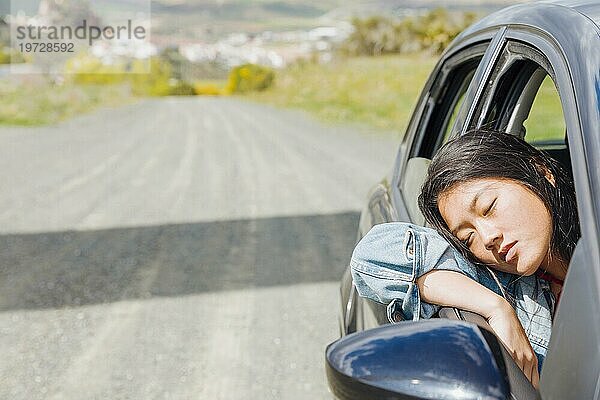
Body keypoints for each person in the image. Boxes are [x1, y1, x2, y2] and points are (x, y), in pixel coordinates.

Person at [350, 130, 579, 389]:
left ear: (540, 172)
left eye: (489, 207)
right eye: (468, 237)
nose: (488, 237)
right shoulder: (501, 284)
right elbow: (370, 258)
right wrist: (496, 307)